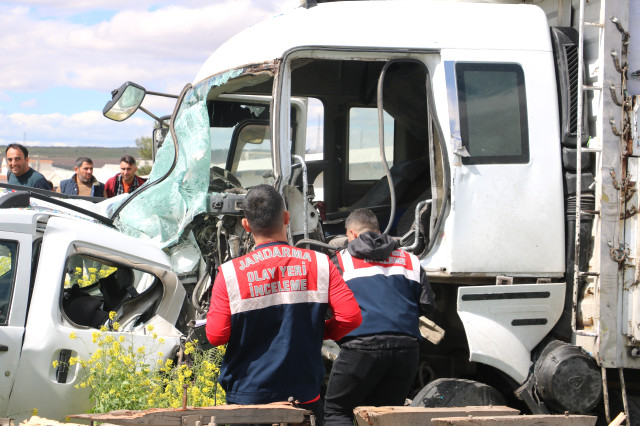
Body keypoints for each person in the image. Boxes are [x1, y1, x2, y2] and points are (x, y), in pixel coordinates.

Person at [206, 185, 362, 425]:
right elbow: (351, 317)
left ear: (246, 225)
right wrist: (318, 332)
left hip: (249, 397)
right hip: (303, 394)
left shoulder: (229, 274)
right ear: (287, 218)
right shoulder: (320, 264)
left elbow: (216, 335)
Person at [324, 208, 436, 426]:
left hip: (361, 349)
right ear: (377, 231)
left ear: (352, 234)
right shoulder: (410, 260)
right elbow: (427, 305)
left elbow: (329, 308)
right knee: (385, 416)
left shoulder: (340, 262)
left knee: (338, 411)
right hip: (406, 351)